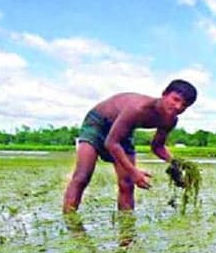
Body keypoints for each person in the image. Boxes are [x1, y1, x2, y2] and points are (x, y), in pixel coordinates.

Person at [63, 79, 197, 213]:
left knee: (127, 183)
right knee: (82, 176)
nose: (178, 107)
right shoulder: (138, 108)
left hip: (123, 131)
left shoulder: (170, 120)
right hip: (98, 123)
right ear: (164, 94)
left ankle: (127, 230)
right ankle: (69, 219)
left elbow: (157, 147)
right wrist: (133, 171)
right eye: (175, 99)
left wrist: (177, 163)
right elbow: (111, 142)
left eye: (184, 105)